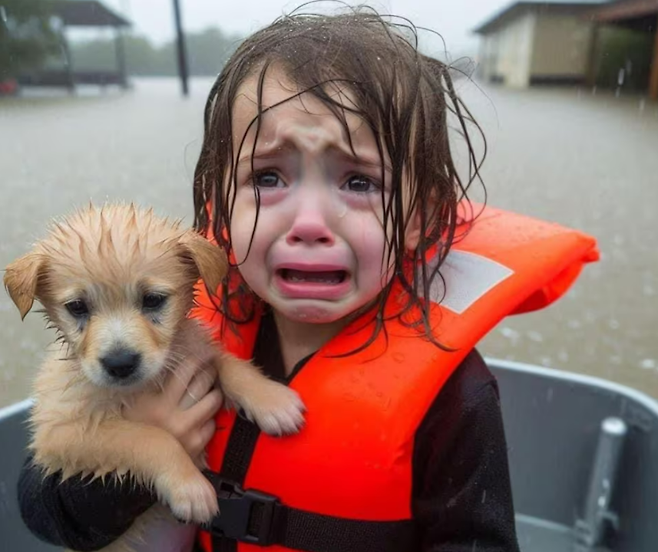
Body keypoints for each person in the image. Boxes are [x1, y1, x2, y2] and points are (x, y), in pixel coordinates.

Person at [18, 6, 599, 552]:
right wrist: (144, 459)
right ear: (222, 206)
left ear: (422, 218)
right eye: (269, 177)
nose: (311, 223)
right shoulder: (178, 328)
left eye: (359, 182)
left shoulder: (458, 398)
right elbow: (44, 513)